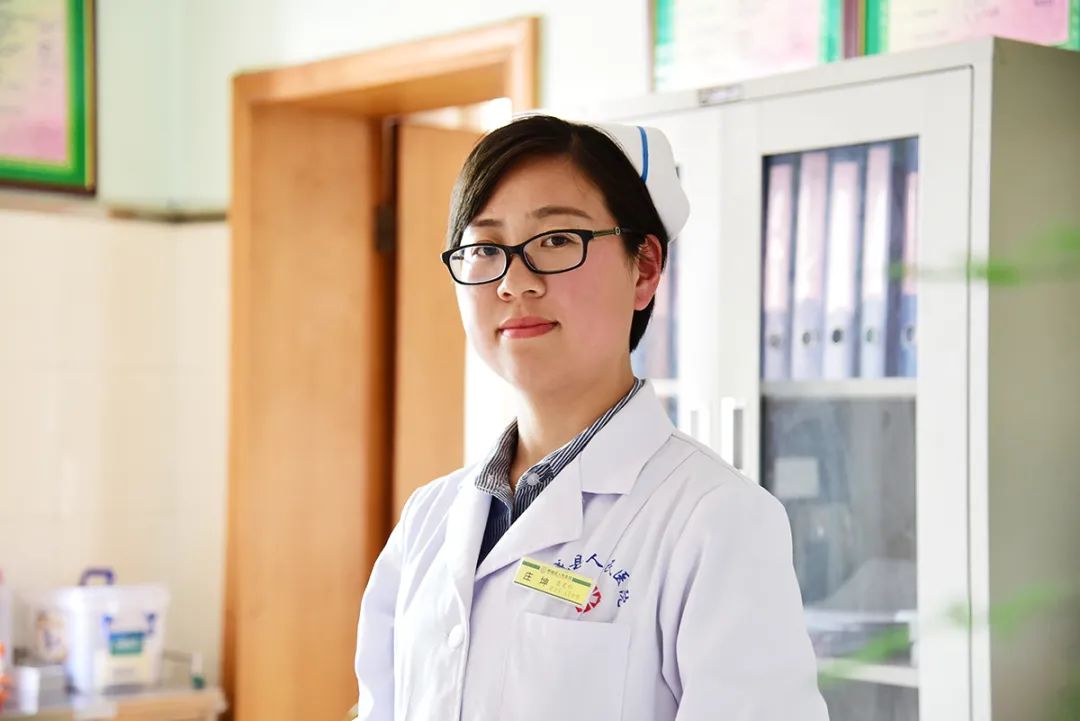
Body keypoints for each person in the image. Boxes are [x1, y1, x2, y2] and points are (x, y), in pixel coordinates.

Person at [354, 114, 829, 721]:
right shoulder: (430, 516)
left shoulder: (716, 520)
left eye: (556, 240)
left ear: (645, 268)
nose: (514, 282)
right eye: (485, 248)